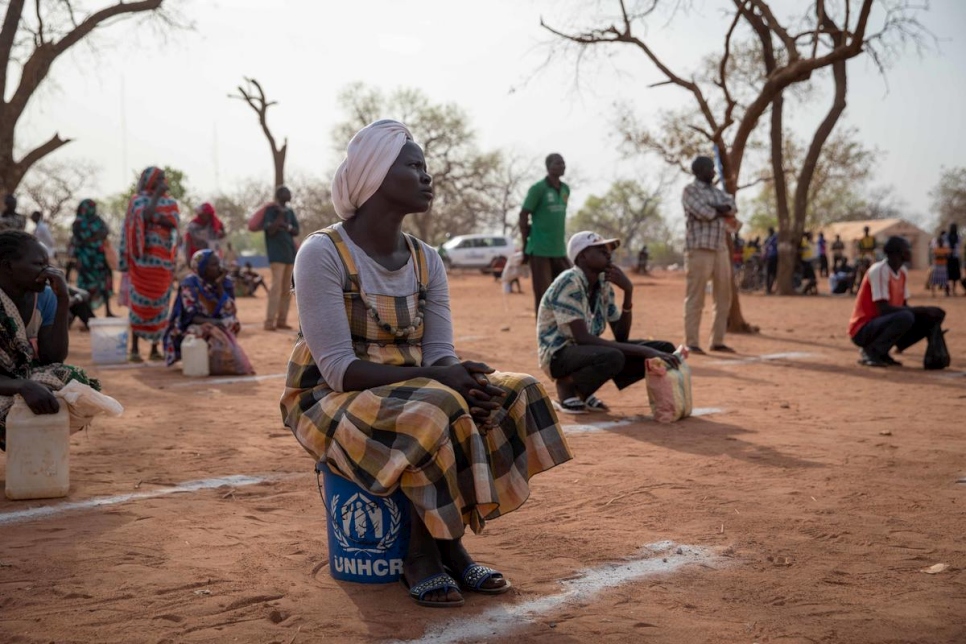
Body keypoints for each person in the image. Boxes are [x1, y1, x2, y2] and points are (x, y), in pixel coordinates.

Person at [282, 120, 572, 608]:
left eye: (425, 167)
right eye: (412, 166)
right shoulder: (321, 253)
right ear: (375, 175)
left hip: (412, 385)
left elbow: (439, 353)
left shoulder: (427, 259)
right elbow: (337, 369)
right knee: (437, 405)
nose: (426, 177)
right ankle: (429, 552)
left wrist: (460, 376)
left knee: (516, 390)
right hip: (329, 397)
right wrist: (442, 378)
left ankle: (447, 542)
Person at [536, 231, 680, 414]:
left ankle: (583, 391)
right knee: (614, 355)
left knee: (664, 349)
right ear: (583, 256)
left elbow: (621, 336)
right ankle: (566, 386)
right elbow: (582, 338)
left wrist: (628, 293)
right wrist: (646, 350)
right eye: (601, 249)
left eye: (609, 250)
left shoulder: (603, 284)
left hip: (585, 351)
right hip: (559, 355)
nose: (608, 253)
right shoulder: (569, 282)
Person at [0, 231, 102, 451]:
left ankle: (29, 457)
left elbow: (53, 357)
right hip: (9, 380)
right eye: (39, 264)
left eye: (48, 264)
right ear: (8, 266)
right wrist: (21, 385)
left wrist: (63, 300)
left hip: (15, 375)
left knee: (71, 382)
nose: (48, 271)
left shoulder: (44, 296)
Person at [848, 236, 945, 367]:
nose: (910, 252)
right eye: (907, 249)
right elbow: (883, 309)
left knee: (931, 316)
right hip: (863, 328)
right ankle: (872, 351)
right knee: (906, 316)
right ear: (898, 252)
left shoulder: (902, 272)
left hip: (884, 322)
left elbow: (903, 306)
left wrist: (927, 313)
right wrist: (921, 309)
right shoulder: (879, 270)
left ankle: (884, 351)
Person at [119, 167, 180, 362]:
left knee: (160, 306)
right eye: (159, 178)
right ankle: (135, 349)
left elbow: (173, 224)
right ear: (150, 180)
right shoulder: (137, 201)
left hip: (163, 264)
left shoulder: (170, 202)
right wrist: (157, 210)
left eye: (164, 178)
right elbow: (143, 217)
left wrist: (160, 218)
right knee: (138, 305)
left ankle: (155, 349)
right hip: (141, 263)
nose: (163, 181)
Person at [162, 249, 254, 375]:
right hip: (191, 324)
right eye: (213, 265)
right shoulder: (189, 285)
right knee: (202, 330)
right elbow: (191, 315)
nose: (218, 268)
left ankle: (216, 359)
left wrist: (220, 286)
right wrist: (213, 322)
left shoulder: (225, 282)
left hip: (216, 322)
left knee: (232, 323)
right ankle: (200, 358)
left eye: (218, 264)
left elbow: (230, 310)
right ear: (202, 268)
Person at [682, 155, 736, 354]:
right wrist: (720, 210)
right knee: (695, 297)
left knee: (724, 297)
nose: (714, 171)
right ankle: (692, 342)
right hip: (698, 248)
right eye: (710, 168)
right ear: (700, 170)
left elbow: (732, 207)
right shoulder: (690, 191)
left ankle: (718, 341)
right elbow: (704, 213)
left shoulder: (717, 192)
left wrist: (720, 209)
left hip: (720, 249)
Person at [519, 153, 570, 315]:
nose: (562, 166)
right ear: (548, 167)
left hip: (559, 250)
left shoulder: (565, 189)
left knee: (566, 290)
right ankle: (543, 334)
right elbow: (523, 214)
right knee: (543, 295)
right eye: (558, 163)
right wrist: (525, 245)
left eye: (563, 163)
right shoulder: (538, 189)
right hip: (540, 249)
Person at [263, 186, 299, 331]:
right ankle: (269, 322)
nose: (289, 194)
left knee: (286, 290)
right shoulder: (271, 211)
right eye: (286, 192)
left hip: (289, 255)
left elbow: (296, 230)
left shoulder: (290, 212)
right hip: (276, 256)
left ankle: (281, 321)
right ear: (279, 195)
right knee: (276, 289)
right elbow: (270, 230)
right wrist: (279, 218)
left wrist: (287, 226)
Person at [71, 199, 115, 317]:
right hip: (86, 260)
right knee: (86, 287)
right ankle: (86, 315)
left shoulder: (96, 220)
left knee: (104, 285)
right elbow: (81, 239)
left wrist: (92, 237)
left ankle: (108, 312)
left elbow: (105, 231)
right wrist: (96, 236)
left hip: (100, 259)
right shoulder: (78, 223)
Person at [947, 223, 961, 296]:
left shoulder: (957, 237)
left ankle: (951, 291)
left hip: (952, 258)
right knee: (951, 275)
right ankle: (950, 291)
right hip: (951, 258)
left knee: (952, 275)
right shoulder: (948, 237)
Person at [764, 227, 778, 295]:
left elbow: (766, 247)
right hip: (773, 257)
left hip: (770, 257)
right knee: (772, 274)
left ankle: (768, 289)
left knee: (769, 274)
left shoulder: (770, 238)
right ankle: (769, 289)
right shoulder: (774, 238)